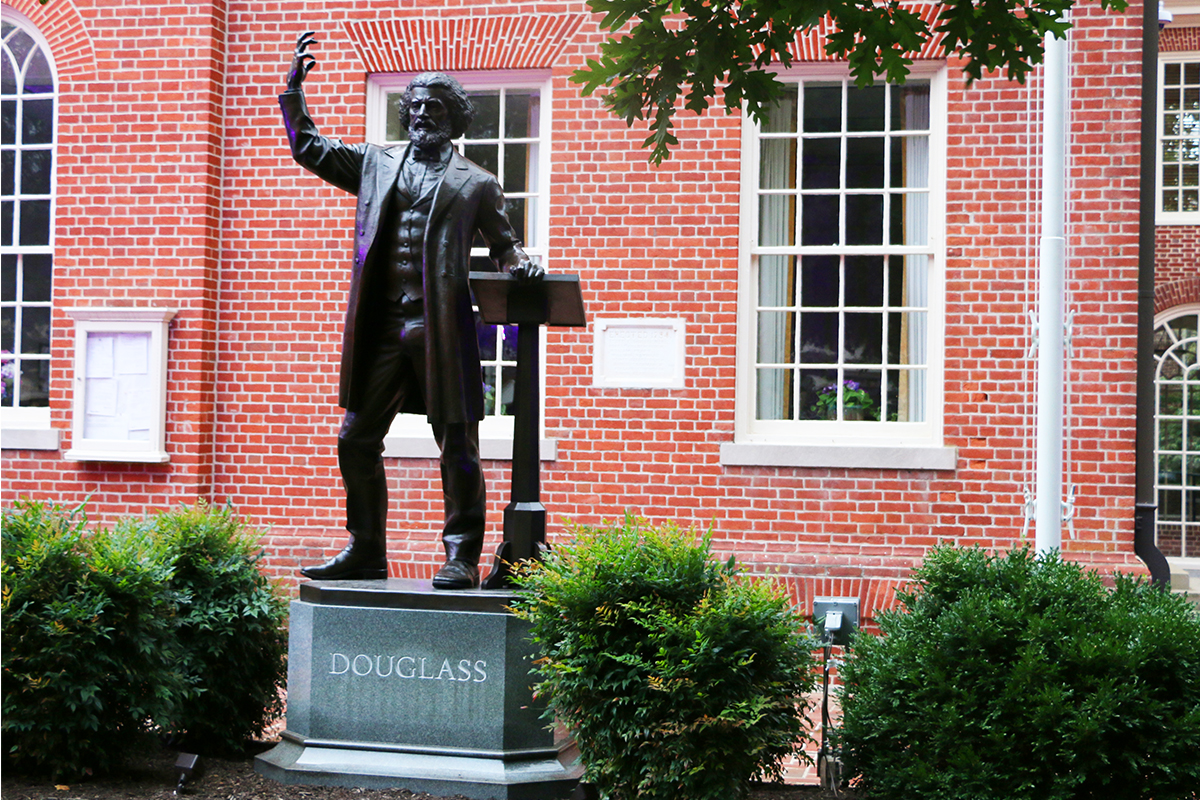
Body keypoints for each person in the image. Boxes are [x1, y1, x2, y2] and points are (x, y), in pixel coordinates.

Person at [279, 32, 543, 589]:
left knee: (458, 443)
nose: (422, 114)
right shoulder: (375, 163)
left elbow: (505, 244)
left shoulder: (477, 183)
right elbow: (310, 148)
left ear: (454, 117)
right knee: (355, 438)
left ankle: (461, 554)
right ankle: (366, 548)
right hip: (383, 325)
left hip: (440, 326)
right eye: (415, 106)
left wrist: (522, 264)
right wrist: (293, 93)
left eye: (434, 107)